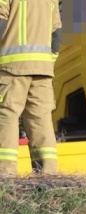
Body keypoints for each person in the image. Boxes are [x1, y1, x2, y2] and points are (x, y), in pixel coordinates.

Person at [0, 0, 62, 175]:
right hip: (43, 68)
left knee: (7, 116)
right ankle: (48, 174)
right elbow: (57, 35)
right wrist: (47, 62)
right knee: (40, 119)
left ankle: (5, 173)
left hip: (11, 67)